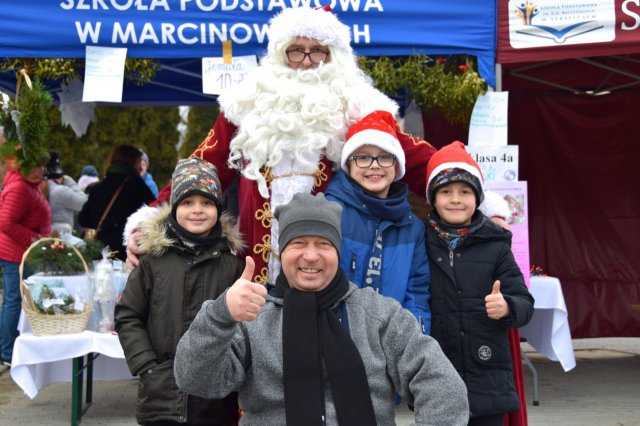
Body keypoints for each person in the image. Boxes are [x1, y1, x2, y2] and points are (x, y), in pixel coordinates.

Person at [125, 6, 437, 284]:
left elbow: (421, 160)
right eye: (296, 51)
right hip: (254, 275)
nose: (306, 62)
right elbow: (201, 169)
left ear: (334, 58)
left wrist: (471, 193)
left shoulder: (358, 106)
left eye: (317, 52)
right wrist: (149, 221)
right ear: (279, 55)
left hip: (329, 269)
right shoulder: (245, 105)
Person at [174, 193, 469, 426]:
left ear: (338, 253)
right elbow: (194, 379)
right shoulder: (252, 317)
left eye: (323, 244)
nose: (311, 256)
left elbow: (442, 385)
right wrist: (219, 315)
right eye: (299, 243)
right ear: (282, 252)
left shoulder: (380, 315)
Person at [115, 157, 243, 426]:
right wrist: (147, 366)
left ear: (218, 209)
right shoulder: (153, 261)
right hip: (160, 394)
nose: (197, 210)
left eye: (206, 203)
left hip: (214, 399)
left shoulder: (232, 265)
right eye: (187, 202)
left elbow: (242, 326)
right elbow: (128, 315)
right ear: (174, 208)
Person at [423, 142, 534, 426]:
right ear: (433, 199)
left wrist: (507, 306)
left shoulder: (495, 246)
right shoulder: (421, 242)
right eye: (446, 192)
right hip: (438, 375)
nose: (456, 199)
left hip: (488, 376)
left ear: (477, 197)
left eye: (465, 191)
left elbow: (524, 302)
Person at [325, 110, 430, 331]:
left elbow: (417, 293)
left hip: (393, 345)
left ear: (397, 166)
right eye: (363, 157)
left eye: (384, 157)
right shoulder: (329, 213)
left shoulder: (412, 227)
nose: (374, 165)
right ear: (349, 166)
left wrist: (413, 343)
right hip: (337, 342)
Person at [0, 162, 51, 367]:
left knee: (15, 300)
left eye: (42, 166)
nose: (41, 170)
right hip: (14, 252)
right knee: (13, 300)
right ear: (24, 166)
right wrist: (35, 238)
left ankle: (9, 347)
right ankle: (7, 352)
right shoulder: (20, 187)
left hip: (22, 251)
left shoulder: (30, 185)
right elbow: (5, 222)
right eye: (37, 166)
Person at [78, 145, 155, 260]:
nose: (140, 167)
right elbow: (154, 210)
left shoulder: (97, 187)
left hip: (97, 248)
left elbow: (83, 219)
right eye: (139, 162)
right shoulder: (137, 186)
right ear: (133, 162)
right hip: (126, 251)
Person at [45, 152, 88, 235]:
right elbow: (84, 204)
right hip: (61, 237)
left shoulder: (38, 187)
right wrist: (70, 183)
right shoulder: (60, 191)